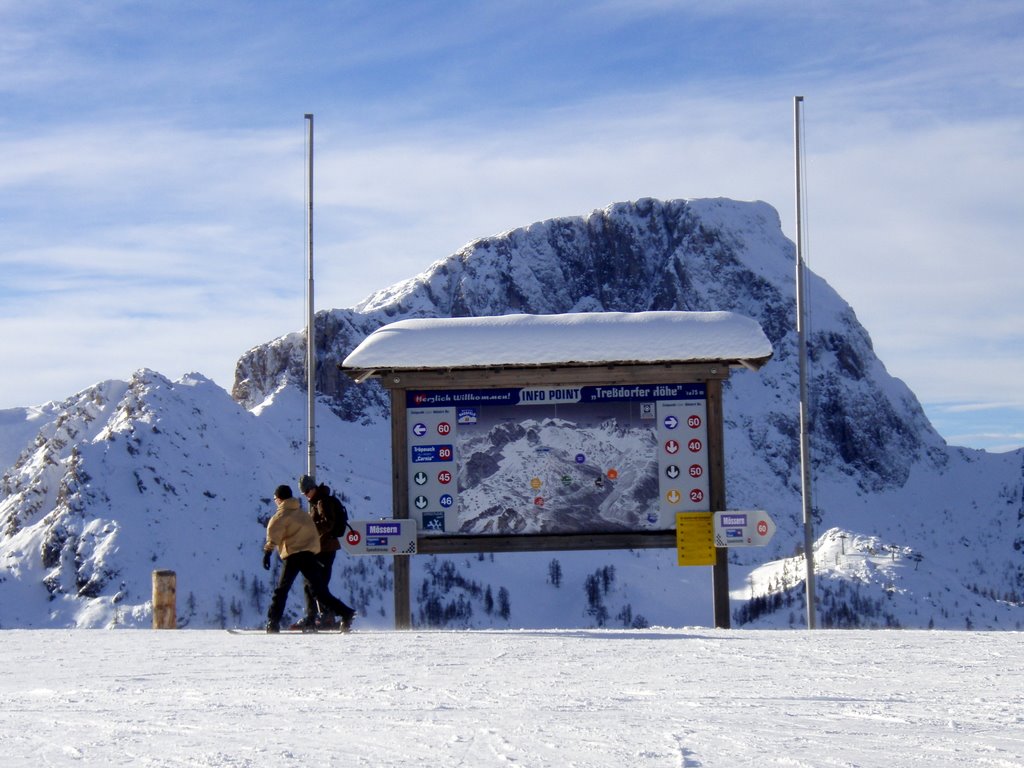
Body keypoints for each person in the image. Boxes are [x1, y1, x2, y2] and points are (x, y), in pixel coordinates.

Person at [262, 484, 355, 633]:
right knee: (319, 591)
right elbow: (313, 534)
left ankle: (273, 622)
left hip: (292, 556)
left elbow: (273, 536)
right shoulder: (303, 514)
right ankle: (346, 613)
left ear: (279, 499)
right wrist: (314, 552)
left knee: (282, 590)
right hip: (308, 556)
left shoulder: (280, 516)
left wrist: (267, 553)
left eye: (275, 499)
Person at [294, 473, 354, 630]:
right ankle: (323, 616)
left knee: (314, 584)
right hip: (325, 548)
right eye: (303, 494)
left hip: (324, 548)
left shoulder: (322, 502)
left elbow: (328, 524)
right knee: (317, 585)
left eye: (306, 492)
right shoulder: (318, 501)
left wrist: (309, 530)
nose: (305, 496)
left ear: (312, 488)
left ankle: (319, 617)